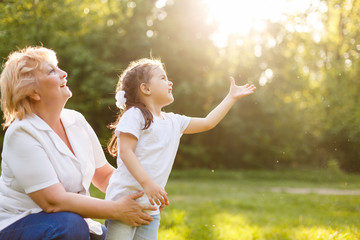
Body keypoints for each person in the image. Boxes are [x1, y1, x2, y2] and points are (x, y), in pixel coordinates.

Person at [0, 46, 156, 240]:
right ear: (33, 92)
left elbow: (104, 175)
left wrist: (143, 195)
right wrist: (116, 209)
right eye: (51, 71)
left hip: (70, 222)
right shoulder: (21, 133)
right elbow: (53, 202)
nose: (64, 73)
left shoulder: (75, 120)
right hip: (18, 223)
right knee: (71, 226)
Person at [105, 58, 256, 239]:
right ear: (145, 89)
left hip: (151, 209)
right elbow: (126, 152)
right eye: (162, 78)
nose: (170, 82)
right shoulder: (134, 115)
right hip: (124, 203)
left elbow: (208, 122)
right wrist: (148, 184)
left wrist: (230, 98)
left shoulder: (174, 121)